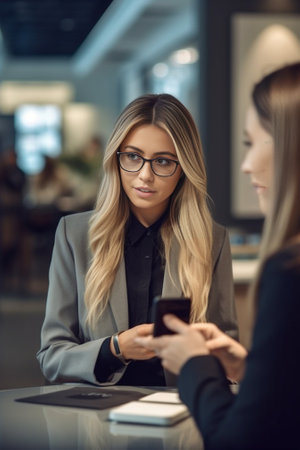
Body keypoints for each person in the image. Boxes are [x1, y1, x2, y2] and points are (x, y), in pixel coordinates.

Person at [136, 63, 300, 448]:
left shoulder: (289, 270)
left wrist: (196, 364)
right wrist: (251, 369)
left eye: (253, 142)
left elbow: (239, 440)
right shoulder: (73, 234)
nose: (246, 165)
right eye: (133, 157)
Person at [37, 93, 238, 387]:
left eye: (163, 161)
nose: (145, 175)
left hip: (181, 415)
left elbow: (227, 355)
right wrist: (115, 348)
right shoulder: (74, 234)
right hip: (96, 419)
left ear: (184, 169)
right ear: (115, 159)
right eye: (133, 156)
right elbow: (52, 358)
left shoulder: (211, 240)